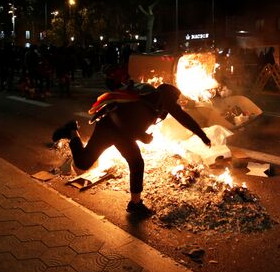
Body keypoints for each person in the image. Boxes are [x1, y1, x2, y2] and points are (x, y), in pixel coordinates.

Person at [52, 72, 212, 216]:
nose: (176, 105)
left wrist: (202, 135)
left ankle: (135, 204)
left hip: (123, 134)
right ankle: (72, 130)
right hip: (109, 128)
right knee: (83, 163)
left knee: (136, 162)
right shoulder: (147, 101)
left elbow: (183, 118)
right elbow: (125, 123)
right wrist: (143, 137)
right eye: (174, 101)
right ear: (166, 97)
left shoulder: (161, 103)